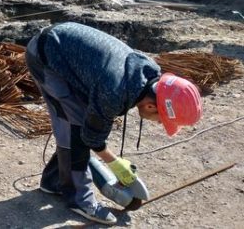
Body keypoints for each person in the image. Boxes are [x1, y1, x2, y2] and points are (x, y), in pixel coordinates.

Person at [25, 22, 202, 225]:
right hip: (45, 56)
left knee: (80, 125)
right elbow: (91, 137)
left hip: (65, 50)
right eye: (162, 120)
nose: (158, 123)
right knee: (74, 127)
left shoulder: (149, 73)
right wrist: (114, 163)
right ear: (151, 106)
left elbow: (95, 124)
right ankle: (79, 200)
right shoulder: (114, 91)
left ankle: (52, 181)